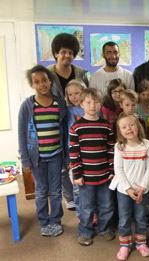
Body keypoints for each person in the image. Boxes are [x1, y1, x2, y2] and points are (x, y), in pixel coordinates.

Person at [18, 65, 67, 237]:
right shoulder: (27, 105)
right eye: (37, 82)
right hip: (36, 158)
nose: (42, 84)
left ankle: (55, 221)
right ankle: (44, 222)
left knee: (55, 190)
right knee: (40, 190)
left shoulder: (59, 104)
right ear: (32, 85)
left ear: (50, 81)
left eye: (44, 80)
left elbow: (65, 132)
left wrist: (66, 157)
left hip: (55, 156)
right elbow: (22, 134)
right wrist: (25, 160)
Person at [69, 88, 115, 246]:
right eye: (88, 102)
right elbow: (74, 153)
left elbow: (111, 149)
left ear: (101, 104)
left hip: (104, 176)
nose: (92, 105)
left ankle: (104, 228)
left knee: (106, 205)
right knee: (86, 207)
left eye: (96, 102)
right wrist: (77, 174)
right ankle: (85, 231)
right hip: (85, 177)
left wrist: (112, 170)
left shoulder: (106, 125)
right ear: (81, 104)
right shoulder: (76, 127)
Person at [48, 33, 89, 210]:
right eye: (63, 52)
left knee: (78, 158)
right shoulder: (48, 74)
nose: (67, 56)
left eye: (71, 53)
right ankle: (69, 196)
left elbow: (87, 95)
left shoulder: (81, 73)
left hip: (76, 120)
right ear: (56, 53)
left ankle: (82, 191)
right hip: (55, 122)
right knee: (63, 162)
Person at [109, 113, 149, 260]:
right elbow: (118, 169)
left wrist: (142, 187)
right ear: (120, 131)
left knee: (141, 217)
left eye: (131, 124)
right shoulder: (119, 146)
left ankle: (141, 243)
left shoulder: (146, 144)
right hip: (123, 191)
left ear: (138, 126)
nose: (129, 128)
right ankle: (125, 245)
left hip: (142, 190)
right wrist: (128, 189)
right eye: (124, 127)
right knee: (124, 218)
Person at [65, 79, 87, 218]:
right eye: (70, 94)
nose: (74, 97)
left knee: (89, 185)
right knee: (77, 186)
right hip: (74, 152)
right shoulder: (67, 110)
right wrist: (69, 157)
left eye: (77, 93)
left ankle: (93, 214)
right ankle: (81, 215)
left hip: (89, 152)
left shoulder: (89, 108)